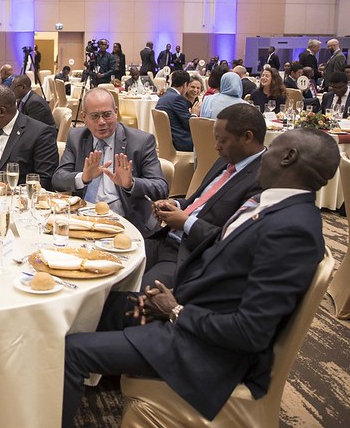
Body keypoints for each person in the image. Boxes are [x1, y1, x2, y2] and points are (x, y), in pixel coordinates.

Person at [62, 128, 340, 428]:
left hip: (206, 351)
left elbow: (251, 332)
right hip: (193, 314)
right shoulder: (274, 206)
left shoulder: (293, 229)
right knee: (90, 307)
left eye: (271, 148)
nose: (263, 155)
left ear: (288, 157)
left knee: (70, 352)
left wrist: (175, 311)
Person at [142, 103, 265, 289]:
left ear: (247, 137)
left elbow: (233, 241)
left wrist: (186, 223)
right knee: (109, 263)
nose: (216, 147)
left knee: (133, 296)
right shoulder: (226, 160)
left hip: (190, 255)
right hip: (165, 238)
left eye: (222, 141)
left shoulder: (262, 180)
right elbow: (200, 203)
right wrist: (176, 203)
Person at [52, 88, 168, 237]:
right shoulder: (76, 137)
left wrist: (130, 184)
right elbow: (58, 179)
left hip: (126, 223)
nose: (101, 122)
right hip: (83, 222)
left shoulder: (141, 142)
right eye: (94, 116)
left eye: (107, 115)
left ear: (116, 112)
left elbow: (161, 187)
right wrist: (83, 178)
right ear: (83, 117)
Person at [155, 70, 196, 151]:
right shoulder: (177, 99)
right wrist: (194, 114)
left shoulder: (164, 96)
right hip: (180, 142)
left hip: (168, 140)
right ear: (185, 84)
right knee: (207, 140)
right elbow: (189, 125)